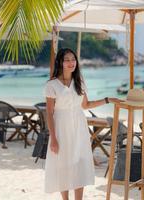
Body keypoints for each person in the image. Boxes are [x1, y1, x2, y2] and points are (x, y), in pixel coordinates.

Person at [44, 48, 120, 200]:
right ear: (60, 62)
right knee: (63, 164)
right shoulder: (52, 85)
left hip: (79, 127)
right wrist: (53, 138)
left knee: (79, 162)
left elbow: (85, 105)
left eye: (73, 59)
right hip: (61, 128)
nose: (71, 62)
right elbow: (50, 114)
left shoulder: (79, 83)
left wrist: (107, 100)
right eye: (67, 60)